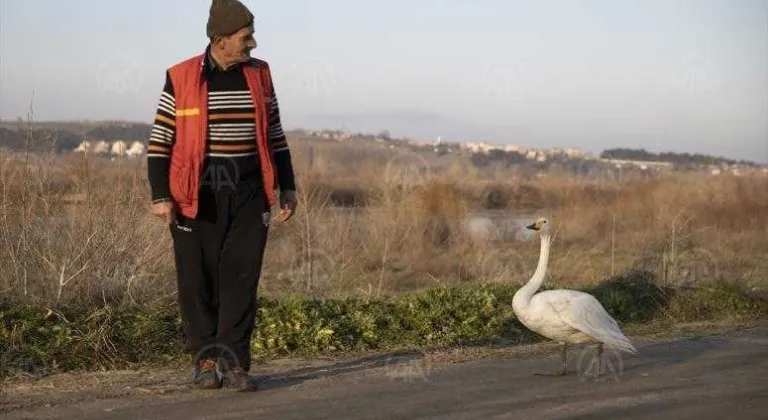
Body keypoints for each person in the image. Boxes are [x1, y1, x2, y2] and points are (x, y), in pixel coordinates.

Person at [146, 0, 297, 392]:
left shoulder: (260, 75)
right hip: (196, 195)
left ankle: (234, 364)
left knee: (241, 281)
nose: (253, 43)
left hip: (249, 194)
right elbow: (161, 141)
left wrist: (288, 187)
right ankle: (205, 361)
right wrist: (161, 195)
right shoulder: (180, 77)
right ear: (221, 39)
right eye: (246, 37)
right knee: (197, 281)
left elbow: (276, 135)